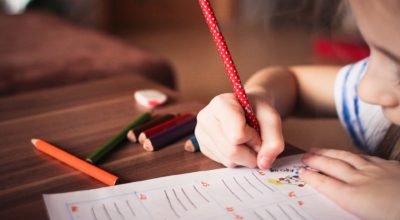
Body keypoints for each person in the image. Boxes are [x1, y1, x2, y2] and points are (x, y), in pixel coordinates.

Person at [194, 0, 400, 219]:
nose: (365, 90)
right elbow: (293, 82)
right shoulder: (380, 97)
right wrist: (259, 97)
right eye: (371, 54)